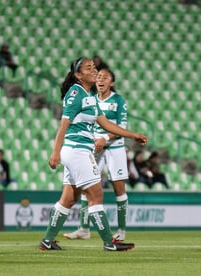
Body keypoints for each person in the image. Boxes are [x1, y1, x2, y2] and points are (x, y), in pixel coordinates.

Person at [39, 57, 147, 251]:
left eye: (94, 67)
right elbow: (64, 123)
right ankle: (109, 242)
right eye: (88, 68)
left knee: (68, 199)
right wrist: (55, 152)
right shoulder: (76, 92)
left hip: (77, 151)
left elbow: (105, 124)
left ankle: (47, 240)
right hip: (77, 151)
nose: (94, 70)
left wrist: (133, 135)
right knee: (96, 196)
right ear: (78, 75)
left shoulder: (89, 97)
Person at [63, 67, 130, 241]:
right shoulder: (90, 99)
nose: (101, 80)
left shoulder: (119, 101)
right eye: (99, 76)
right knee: (87, 186)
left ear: (112, 83)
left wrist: (105, 138)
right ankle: (84, 229)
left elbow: (121, 128)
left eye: (105, 77)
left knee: (118, 189)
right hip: (95, 148)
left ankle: (121, 231)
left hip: (115, 148)